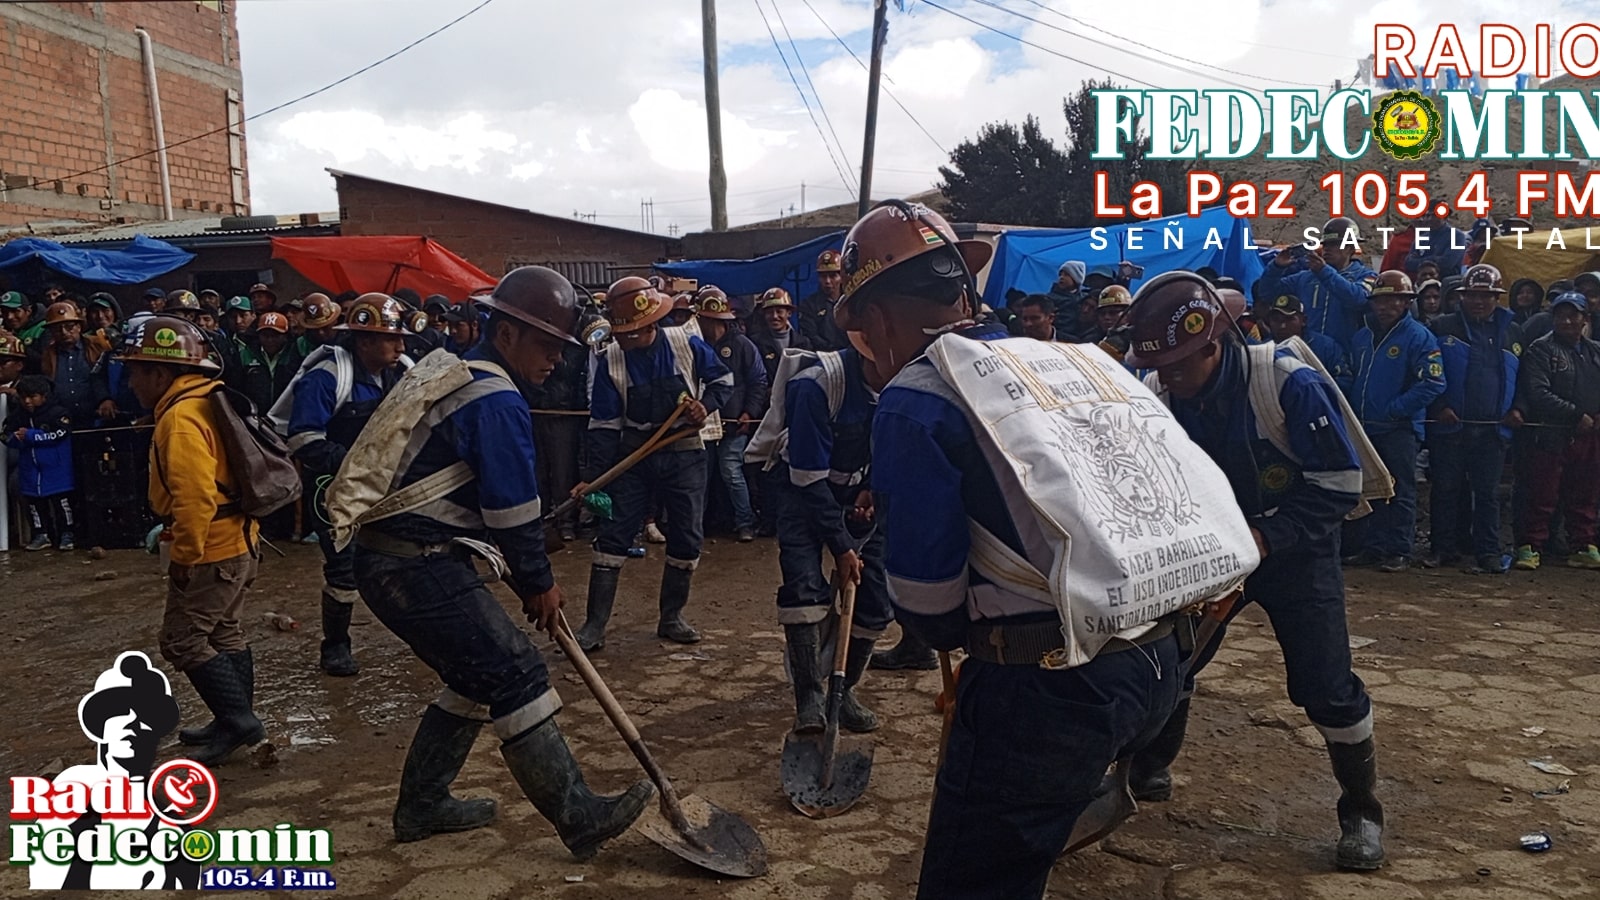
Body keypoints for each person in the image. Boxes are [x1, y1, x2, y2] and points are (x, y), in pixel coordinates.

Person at [840, 202, 1179, 897]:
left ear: (872, 320)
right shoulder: (1061, 360)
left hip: (1047, 688)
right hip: (1158, 660)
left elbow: (929, 608)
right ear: (965, 290)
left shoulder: (916, 398)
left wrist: (957, 640)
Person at [347, 266, 653, 854]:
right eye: (545, 345)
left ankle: (422, 804)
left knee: (474, 674)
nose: (555, 363)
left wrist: (529, 569)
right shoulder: (493, 397)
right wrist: (538, 582)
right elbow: (512, 511)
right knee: (515, 671)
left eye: (561, 348)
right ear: (507, 333)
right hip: (410, 563)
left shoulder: (459, 372)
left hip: (401, 557)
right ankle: (577, 813)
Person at [1124, 271, 1385, 872]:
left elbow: (1340, 485)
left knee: (1326, 687)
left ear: (1212, 343)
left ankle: (1361, 810)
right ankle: (1150, 767)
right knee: (1172, 661)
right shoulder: (1162, 396)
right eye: (1159, 366)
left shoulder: (1287, 383)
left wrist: (1268, 537)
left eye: (1179, 365)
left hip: (1296, 555)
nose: (1167, 377)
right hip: (1214, 556)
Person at [123, 316, 265, 766]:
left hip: (212, 548)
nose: (129, 383)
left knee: (182, 639)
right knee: (224, 630)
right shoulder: (205, 399)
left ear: (160, 374)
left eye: (135, 371)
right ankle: (233, 719)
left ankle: (240, 722)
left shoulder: (181, 418)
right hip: (240, 541)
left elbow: (196, 498)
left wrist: (183, 557)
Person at [574, 276, 733, 651]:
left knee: (687, 535)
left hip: (684, 452)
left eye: (633, 331)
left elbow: (723, 382)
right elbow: (603, 427)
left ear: (651, 323)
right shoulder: (610, 358)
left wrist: (703, 406)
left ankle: (672, 617)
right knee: (613, 534)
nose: (626, 339)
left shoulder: (686, 343)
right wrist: (595, 481)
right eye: (621, 331)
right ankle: (594, 625)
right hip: (634, 455)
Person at [285, 294, 412, 676]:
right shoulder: (325, 377)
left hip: (387, 487)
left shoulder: (402, 372)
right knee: (343, 568)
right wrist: (356, 464)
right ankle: (335, 647)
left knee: (407, 555)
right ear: (364, 341)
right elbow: (303, 439)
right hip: (333, 487)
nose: (401, 346)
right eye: (391, 339)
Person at [768, 331, 886, 734]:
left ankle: (843, 690)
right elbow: (808, 480)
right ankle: (810, 699)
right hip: (802, 490)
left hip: (859, 493)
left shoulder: (904, 384)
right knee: (803, 590)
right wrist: (840, 547)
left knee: (875, 596)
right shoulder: (814, 387)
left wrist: (874, 486)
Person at [1341, 271, 1445, 572]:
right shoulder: (1362, 337)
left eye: (1393, 300)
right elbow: (1354, 377)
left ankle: (1399, 550)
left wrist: (1395, 409)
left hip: (1399, 429)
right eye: (1380, 300)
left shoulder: (1419, 337)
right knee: (1371, 490)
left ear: (1406, 302)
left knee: (1400, 491)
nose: (1385, 306)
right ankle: (1373, 548)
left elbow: (1434, 383)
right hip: (1365, 428)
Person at [1426, 264, 1523, 574]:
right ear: (1462, 296)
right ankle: (1442, 548)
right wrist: (1439, 406)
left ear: (1497, 298)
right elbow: (1428, 373)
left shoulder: (1513, 330)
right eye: (1473, 296)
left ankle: (1488, 552)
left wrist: (1519, 409)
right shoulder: (1441, 327)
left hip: (1494, 430)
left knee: (1488, 494)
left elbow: (1524, 379)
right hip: (1450, 425)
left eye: (1486, 296)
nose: (1479, 301)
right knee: (1445, 489)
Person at [1512, 291, 1600, 571]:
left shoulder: (1595, 351)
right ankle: (1530, 547)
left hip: (1589, 435)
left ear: (1585, 318)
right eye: (1561, 315)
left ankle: (1583, 545)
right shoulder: (1540, 349)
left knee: (1585, 492)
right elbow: (1537, 392)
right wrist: (1576, 414)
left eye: (1573, 314)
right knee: (1541, 493)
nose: (1567, 320)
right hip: (1549, 433)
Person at [694, 288, 766, 542]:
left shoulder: (742, 345)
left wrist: (750, 411)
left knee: (730, 471)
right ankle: (696, 526)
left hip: (734, 423)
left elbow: (758, 381)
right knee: (700, 475)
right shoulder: (694, 345)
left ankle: (746, 521)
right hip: (701, 423)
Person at [1256, 217, 1378, 352]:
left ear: (1350, 248)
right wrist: (1277, 267)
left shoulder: (1367, 276)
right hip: (1308, 352)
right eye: (1325, 245)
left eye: (1334, 244)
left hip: (1346, 356)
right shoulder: (1306, 277)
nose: (1327, 249)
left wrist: (1324, 272)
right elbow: (1267, 293)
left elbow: (1359, 300)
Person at [5, 374, 76, 551]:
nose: (27, 401)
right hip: (30, 470)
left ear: (44, 396)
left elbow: (61, 434)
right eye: (23, 397)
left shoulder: (58, 413)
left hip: (56, 469)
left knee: (61, 505)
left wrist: (30, 435)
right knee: (35, 505)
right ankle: (41, 535)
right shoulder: (17, 416)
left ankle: (67, 534)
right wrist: (16, 438)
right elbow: (5, 434)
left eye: (32, 396)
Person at [33, 301, 111, 426]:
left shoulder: (97, 346)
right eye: (57, 329)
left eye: (69, 326)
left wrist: (106, 399)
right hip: (63, 420)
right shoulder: (47, 354)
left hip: (97, 417)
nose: (64, 332)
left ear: (79, 327)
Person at [1263, 294, 1348, 382]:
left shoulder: (1326, 347)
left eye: (1289, 319)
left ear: (1303, 320)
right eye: (1276, 320)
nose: (1282, 326)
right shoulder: (1264, 350)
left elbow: (1344, 381)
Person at [239, 312, 301, 415]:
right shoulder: (246, 354)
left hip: (287, 418)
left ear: (285, 336)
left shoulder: (295, 355)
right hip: (254, 419)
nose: (270, 340)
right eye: (265, 335)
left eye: (275, 335)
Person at [752, 287, 812, 385]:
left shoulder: (803, 343)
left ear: (789, 313)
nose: (774, 316)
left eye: (779, 311)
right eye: (770, 312)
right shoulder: (755, 343)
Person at [798, 248, 848, 350]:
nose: (827, 281)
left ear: (842, 276)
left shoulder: (851, 301)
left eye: (833, 276)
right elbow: (810, 335)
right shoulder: (809, 304)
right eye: (823, 276)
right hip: (822, 357)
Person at [1047, 260, 1087, 340]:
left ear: (1076, 278)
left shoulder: (1084, 298)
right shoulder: (1051, 298)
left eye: (1066, 275)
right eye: (1060, 275)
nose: (1061, 277)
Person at [296, 292, 342, 357]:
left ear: (335, 321)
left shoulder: (348, 343)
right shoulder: (302, 345)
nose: (321, 333)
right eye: (315, 330)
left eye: (325, 327)